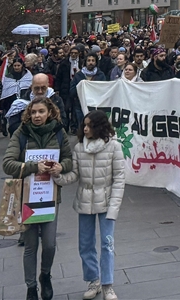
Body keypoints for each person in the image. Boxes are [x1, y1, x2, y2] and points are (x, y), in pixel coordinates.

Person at [2, 97, 73, 300]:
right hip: (27, 198)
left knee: (49, 244)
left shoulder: (58, 132)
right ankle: (31, 288)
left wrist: (61, 166)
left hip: (50, 196)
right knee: (31, 245)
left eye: (41, 111)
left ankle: (45, 275)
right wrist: (33, 167)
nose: (37, 116)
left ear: (49, 112)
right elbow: (7, 163)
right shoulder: (21, 133)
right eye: (33, 112)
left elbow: (69, 159)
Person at [54, 110, 125, 300]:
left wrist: (114, 207)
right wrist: (58, 176)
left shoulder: (114, 147)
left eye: (89, 125)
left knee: (107, 244)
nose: (85, 129)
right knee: (85, 244)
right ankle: (93, 280)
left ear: (99, 127)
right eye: (83, 125)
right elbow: (75, 175)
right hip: (84, 200)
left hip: (107, 199)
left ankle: (108, 285)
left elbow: (119, 179)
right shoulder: (79, 148)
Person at [71, 53, 106, 131]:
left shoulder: (101, 75)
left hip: (95, 105)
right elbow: (72, 91)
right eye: (89, 60)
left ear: (96, 62)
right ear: (85, 62)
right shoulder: (78, 75)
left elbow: (104, 90)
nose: (91, 62)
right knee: (82, 127)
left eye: (93, 60)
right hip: (80, 105)